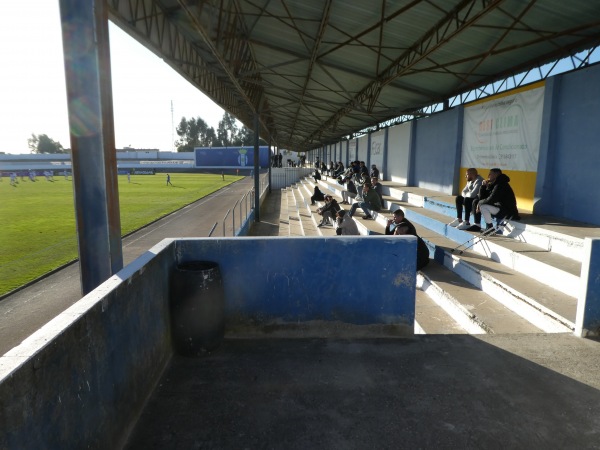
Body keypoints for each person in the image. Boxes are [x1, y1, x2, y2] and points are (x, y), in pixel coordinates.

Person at [475, 168, 520, 233]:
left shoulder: (501, 185)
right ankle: (488, 227)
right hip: (499, 207)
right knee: (479, 203)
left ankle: (489, 227)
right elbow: (483, 198)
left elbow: (491, 199)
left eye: (490, 174)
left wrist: (479, 203)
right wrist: (483, 186)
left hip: (507, 210)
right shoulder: (494, 184)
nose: (488, 176)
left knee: (483, 206)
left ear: (496, 175)